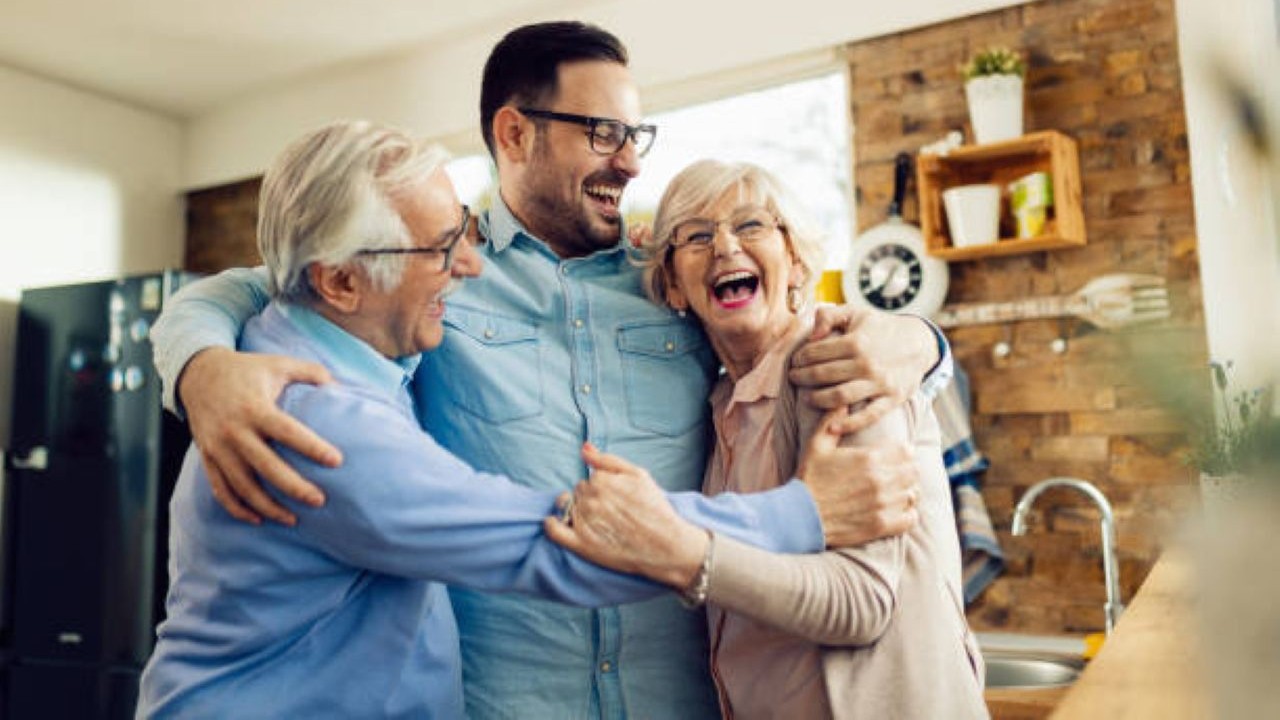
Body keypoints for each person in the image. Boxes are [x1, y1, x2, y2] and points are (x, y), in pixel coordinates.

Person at [148, 22, 951, 719]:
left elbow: (787, 323)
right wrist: (200, 364)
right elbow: (272, 283)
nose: (632, 164)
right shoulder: (432, 279)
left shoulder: (669, 277)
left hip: (680, 702)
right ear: (515, 134)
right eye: (604, 134)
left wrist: (919, 338)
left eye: (638, 137)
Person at [548, 159, 987, 719]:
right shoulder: (716, 404)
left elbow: (864, 602)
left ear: (797, 260)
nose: (725, 246)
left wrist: (688, 557)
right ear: (676, 287)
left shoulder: (840, 364)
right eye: (698, 236)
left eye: (751, 225)